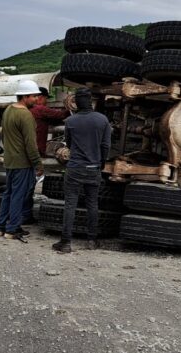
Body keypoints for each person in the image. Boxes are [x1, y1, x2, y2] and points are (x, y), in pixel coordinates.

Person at [52, 87, 111, 253]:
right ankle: (92, 240)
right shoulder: (102, 120)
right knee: (92, 203)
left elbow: (69, 145)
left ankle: (65, 243)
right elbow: (106, 145)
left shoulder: (71, 122)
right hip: (94, 168)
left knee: (70, 204)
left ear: (76, 103)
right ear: (90, 101)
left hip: (75, 168)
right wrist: (101, 162)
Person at [0, 79, 45, 242]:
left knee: (8, 193)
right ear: (25, 97)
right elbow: (31, 144)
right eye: (34, 96)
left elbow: (4, 135)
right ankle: (12, 228)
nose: (37, 99)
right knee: (18, 196)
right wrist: (38, 163)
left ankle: (0, 226)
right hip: (22, 162)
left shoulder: (8, 110)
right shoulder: (26, 115)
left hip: (10, 160)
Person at [22, 87, 69, 224]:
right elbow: (60, 115)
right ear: (40, 97)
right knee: (28, 186)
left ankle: (16, 215)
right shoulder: (39, 109)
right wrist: (72, 105)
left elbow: (51, 120)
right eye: (47, 99)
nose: (47, 102)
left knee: (20, 186)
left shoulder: (23, 110)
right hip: (33, 153)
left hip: (20, 151)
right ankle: (24, 216)